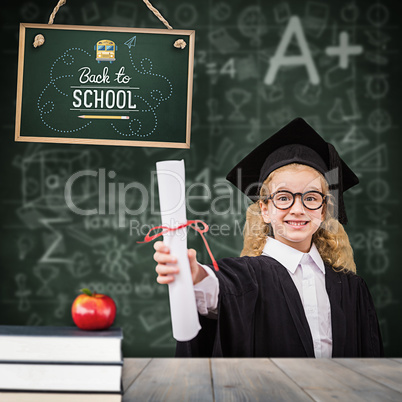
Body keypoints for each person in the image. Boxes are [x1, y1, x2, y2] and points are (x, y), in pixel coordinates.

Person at [153, 117, 384, 358]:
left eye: (312, 197)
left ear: (324, 210)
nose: (298, 209)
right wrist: (195, 276)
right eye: (283, 197)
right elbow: (218, 291)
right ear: (265, 209)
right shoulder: (246, 278)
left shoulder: (352, 288)